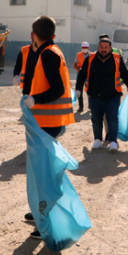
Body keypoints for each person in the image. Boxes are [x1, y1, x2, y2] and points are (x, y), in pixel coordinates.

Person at [20, 16, 76, 240]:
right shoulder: (52, 51)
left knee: (44, 176)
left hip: (46, 124)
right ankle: (39, 212)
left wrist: (35, 100)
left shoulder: (47, 54)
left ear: (34, 35)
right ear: (53, 35)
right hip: (48, 124)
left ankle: (45, 221)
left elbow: (57, 89)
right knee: (43, 173)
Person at [75, 34, 128, 151]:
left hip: (113, 95)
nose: (103, 49)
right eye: (101, 47)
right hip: (95, 95)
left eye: (106, 47)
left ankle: (113, 141)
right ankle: (97, 139)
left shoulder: (117, 58)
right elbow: (82, 74)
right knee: (96, 119)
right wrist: (78, 88)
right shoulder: (90, 59)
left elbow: (124, 72)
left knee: (112, 118)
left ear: (110, 48)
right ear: (98, 47)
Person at [72, 42, 90, 113]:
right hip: (80, 74)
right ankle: (81, 106)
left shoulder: (92, 55)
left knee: (90, 90)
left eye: (85, 48)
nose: (84, 49)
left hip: (89, 74)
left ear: (88, 48)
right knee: (79, 90)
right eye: (83, 48)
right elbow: (75, 64)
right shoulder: (78, 55)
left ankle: (90, 105)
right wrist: (79, 69)